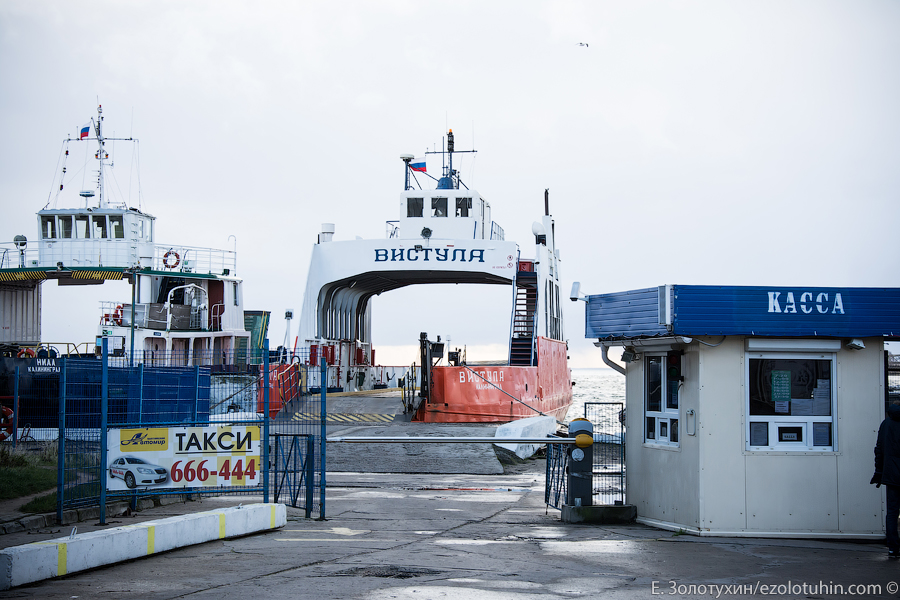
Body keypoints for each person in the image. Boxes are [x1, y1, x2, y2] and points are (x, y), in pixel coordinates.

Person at [873, 402, 900, 558]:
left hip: (890, 475)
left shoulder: (886, 424)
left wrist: (879, 471)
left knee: (892, 512)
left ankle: (892, 548)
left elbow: (879, 449)